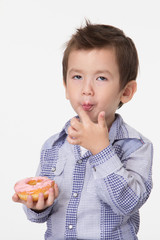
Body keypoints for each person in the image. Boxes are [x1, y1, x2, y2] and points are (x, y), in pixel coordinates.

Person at [12, 21, 153, 240]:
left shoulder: (137, 146)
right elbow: (38, 217)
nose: (86, 89)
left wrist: (102, 150)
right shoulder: (53, 146)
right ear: (66, 86)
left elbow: (128, 203)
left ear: (126, 91)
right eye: (77, 77)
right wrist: (37, 206)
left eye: (101, 78)